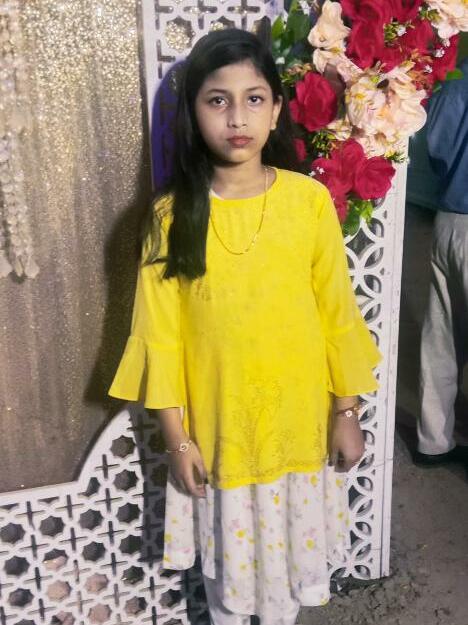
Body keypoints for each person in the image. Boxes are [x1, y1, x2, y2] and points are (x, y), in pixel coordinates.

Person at [109, 28, 381, 625]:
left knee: (287, 590)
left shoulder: (307, 202)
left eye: (254, 99)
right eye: (218, 100)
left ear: (277, 109)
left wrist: (346, 411)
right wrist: (177, 439)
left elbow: (337, 315)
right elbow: (159, 337)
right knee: (227, 589)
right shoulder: (170, 216)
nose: (237, 117)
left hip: (298, 430)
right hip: (219, 436)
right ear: (194, 113)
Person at [415, 57, 468, 466]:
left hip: (448, 217)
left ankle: (433, 441)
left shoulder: (455, 80)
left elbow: (433, 144)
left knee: (442, 337)